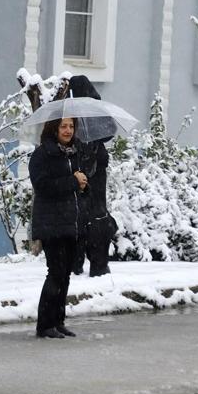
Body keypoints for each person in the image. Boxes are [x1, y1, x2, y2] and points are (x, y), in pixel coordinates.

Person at [29, 116, 87, 339]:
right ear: (54, 129)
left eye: (71, 126)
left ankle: (58, 321)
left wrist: (82, 185)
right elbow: (42, 186)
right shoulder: (43, 154)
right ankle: (44, 325)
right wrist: (73, 182)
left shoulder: (73, 153)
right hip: (51, 223)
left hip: (70, 223)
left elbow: (75, 187)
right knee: (55, 273)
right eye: (63, 126)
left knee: (65, 275)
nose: (68, 130)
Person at [66, 75, 116, 277]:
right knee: (95, 218)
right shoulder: (92, 109)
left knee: (82, 218)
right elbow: (109, 132)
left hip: (86, 176)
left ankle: (79, 264)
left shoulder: (76, 111)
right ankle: (97, 264)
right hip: (92, 178)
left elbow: (107, 132)